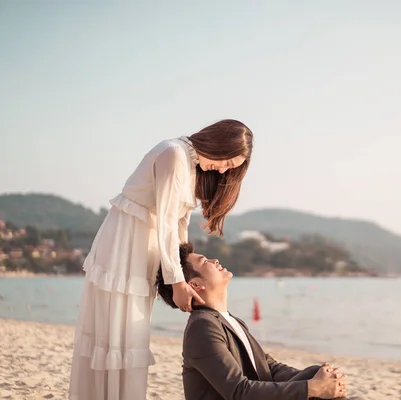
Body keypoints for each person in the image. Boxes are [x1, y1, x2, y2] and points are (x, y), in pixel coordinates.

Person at [69, 120, 254, 400]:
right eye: (228, 161)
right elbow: (166, 221)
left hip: (144, 250)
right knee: (117, 334)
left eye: (232, 168)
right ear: (219, 142)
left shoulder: (189, 167)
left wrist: (182, 274)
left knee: (130, 336)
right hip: (125, 245)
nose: (225, 169)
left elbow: (179, 228)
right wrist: (177, 281)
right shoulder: (174, 154)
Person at [155, 242, 349, 400]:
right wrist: (311, 388)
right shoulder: (202, 327)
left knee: (316, 373)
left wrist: (320, 378)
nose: (215, 260)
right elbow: (239, 391)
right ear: (195, 285)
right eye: (205, 261)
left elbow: (269, 367)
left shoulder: (230, 320)